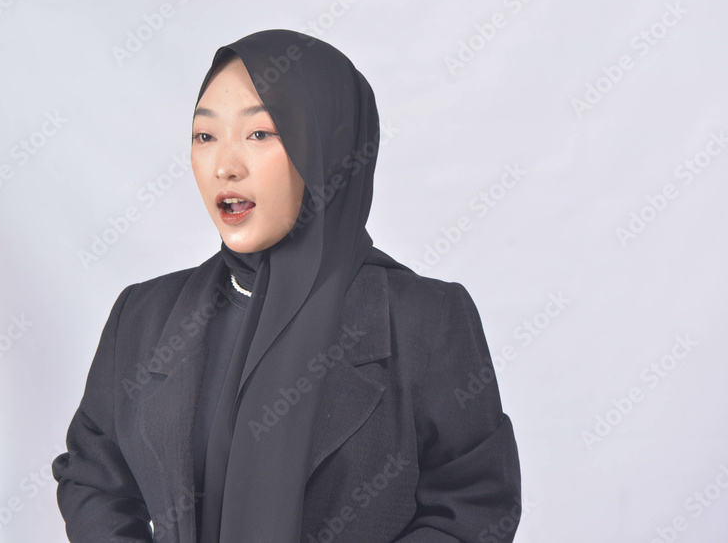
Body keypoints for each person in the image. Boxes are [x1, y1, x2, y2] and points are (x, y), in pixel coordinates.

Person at [52, 29, 522, 542]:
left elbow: (473, 504)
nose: (225, 166)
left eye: (260, 133)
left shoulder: (425, 319)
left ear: (329, 148)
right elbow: (92, 478)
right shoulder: (143, 316)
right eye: (205, 136)